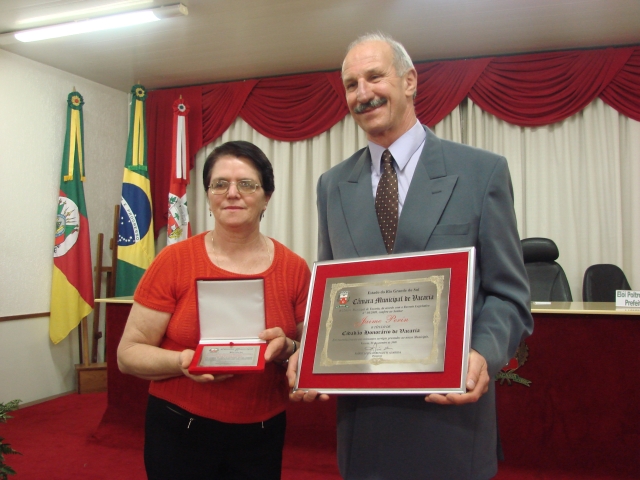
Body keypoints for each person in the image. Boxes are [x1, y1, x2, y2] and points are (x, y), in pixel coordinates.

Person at [287, 33, 533, 479]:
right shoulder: (332, 185)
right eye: (351, 84)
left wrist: (483, 353)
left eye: (374, 76)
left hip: (449, 421)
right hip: (364, 428)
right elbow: (335, 298)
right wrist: (310, 351)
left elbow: (508, 294)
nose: (363, 93)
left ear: (410, 81)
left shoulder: (481, 172)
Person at [117, 140, 311, 480]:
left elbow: (309, 353)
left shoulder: (294, 268)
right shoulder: (173, 261)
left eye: (246, 184)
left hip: (261, 434)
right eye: (220, 184)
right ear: (208, 195)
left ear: (267, 196)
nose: (232, 193)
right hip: (180, 428)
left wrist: (289, 348)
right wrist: (184, 361)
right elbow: (128, 354)